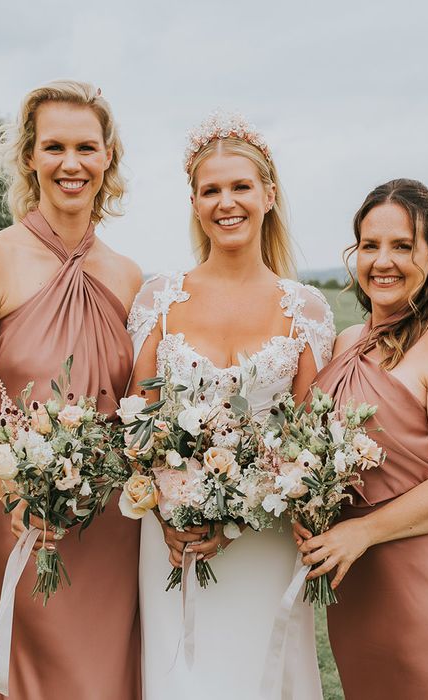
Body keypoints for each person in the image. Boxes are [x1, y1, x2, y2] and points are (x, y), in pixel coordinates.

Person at [0, 80, 143, 699]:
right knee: (43, 673)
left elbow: (140, 406)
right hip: (27, 514)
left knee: (115, 672)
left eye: (87, 147)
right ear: (30, 155)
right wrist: (14, 495)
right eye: (54, 146)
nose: (71, 163)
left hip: (117, 520)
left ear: (107, 156)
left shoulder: (130, 276)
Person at [127, 113, 334, 699]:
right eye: (210, 190)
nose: (227, 202)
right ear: (194, 203)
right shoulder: (160, 299)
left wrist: (243, 510)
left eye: (241, 186)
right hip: (173, 540)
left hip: (267, 541)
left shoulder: (306, 310)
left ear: (269, 195)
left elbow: (307, 441)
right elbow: (137, 420)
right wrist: (167, 509)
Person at [295, 178, 428, 700]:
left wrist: (361, 533)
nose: (382, 261)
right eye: (370, 245)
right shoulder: (346, 342)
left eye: (402, 245)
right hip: (361, 585)